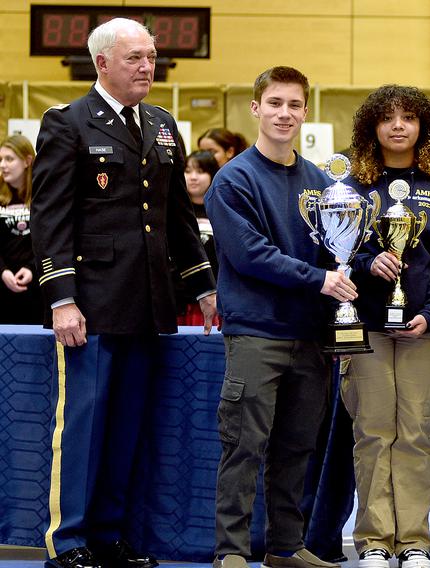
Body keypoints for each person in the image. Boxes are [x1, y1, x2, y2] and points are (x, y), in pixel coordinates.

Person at [30, 17, 217, 568]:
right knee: (86, 424)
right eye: (135, 57)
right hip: (90, 302)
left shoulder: (161, 124)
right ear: (103, 63)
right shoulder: (68, 123)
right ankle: (71, 541)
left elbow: (177, 217)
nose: (147, 66)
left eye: (151, 56)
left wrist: (203, 286)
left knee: (128, 424)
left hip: (148, 300)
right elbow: (51, 216)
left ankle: (109, 535)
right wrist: (61, 297)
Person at [205, 65, 353, 568]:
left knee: (297, 447)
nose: (284, 113)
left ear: (306, 112)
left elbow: (338, 250)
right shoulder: (233, 180)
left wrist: (358, 264)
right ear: (256, 108)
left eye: (294, 105)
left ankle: (286, 548)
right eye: (275, 103)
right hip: (255, 333)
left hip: (311, 335)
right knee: (244, 447)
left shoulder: (319, 181)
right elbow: (249, 254)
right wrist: (320, 280)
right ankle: (231, 550)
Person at [342, 84, 430, 568]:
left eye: (408, 117)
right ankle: (372, 540)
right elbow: (336, 249)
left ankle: (413, 540)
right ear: (372, 125)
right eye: (387, 117)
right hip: (365, 325)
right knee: (371, 432)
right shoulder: (350, 186)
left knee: (413, 433)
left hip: (425, 329)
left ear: (422, 127)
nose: (397, 125)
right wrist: (369, 263)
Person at [0, 135, 42, 324]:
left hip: (36, 288)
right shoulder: (1, 198)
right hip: (3, 285)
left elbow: (49, 240)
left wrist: (32, 268)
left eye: (9, 159)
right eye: (0, 160)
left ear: (27, 161)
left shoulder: (42, 197)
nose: (2, 165)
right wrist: (2, 271)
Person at [177, 149, 220, 325]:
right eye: (188, 171)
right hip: (180, 298)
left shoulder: (222, 209)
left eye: (200, 171)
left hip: (214, 297)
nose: (193, 177)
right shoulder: (175, 211)